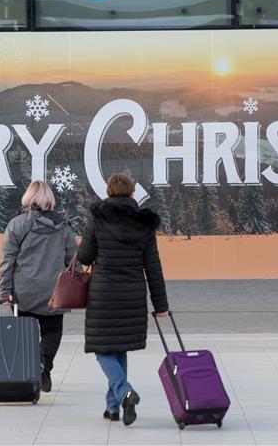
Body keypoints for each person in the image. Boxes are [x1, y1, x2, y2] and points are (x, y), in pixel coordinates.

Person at [77, 172, 169, 426]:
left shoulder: (97, 218)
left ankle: (124, 391)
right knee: (118, 348)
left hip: (104, 293)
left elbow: (84, 257)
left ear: (108, 191)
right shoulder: (144, 223)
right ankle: (113, 408)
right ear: (131, 193)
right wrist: (161, 304)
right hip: (132, 295)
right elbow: (153, 266)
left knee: (102, 349)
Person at [0, 180, 76, 393]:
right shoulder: (63, 226)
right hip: (54, 291)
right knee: (53, 331)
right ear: (49, 200)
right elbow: (74, 261)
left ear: (28, 198)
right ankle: (44, 367)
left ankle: (29, 372)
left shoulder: (17, 224)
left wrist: (5, 291)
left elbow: (8, 261)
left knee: (24, 334)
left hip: (24, 291)